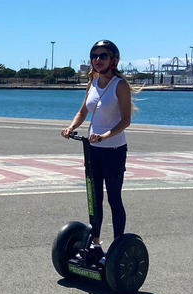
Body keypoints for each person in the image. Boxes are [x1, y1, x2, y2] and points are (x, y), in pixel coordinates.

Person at [61, 39, 132, 252]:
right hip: (92, 149)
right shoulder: (91, 82)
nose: (97, 60)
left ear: (113, 60)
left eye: (103, 56)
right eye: (94, 56)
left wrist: (105, 136)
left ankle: (118, 245)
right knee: (94, 198)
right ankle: (95, 242)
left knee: (113, 197)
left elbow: (126, 120)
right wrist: (71, 127)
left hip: (114, 149)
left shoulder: (120, 86)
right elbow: (82, 111)